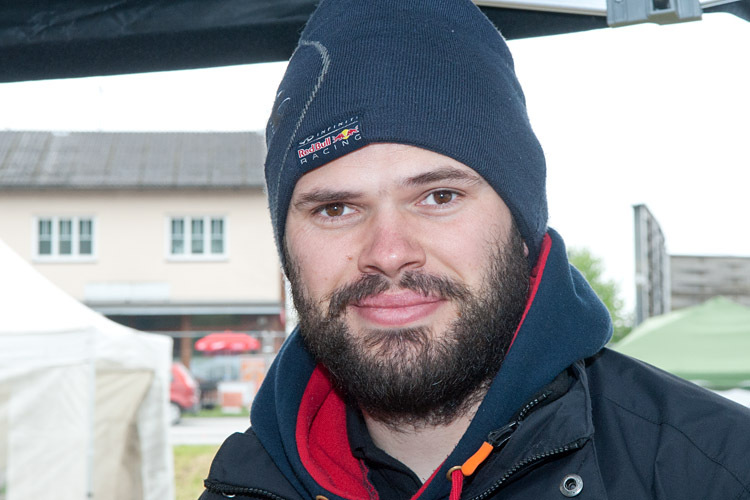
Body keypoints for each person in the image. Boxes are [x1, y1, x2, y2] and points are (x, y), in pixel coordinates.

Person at [200, 1, 750, 499]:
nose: (388, 253)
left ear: (523, 226)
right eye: (335, 209)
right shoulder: (244, 488)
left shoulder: (715, 471)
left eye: (438, 196)